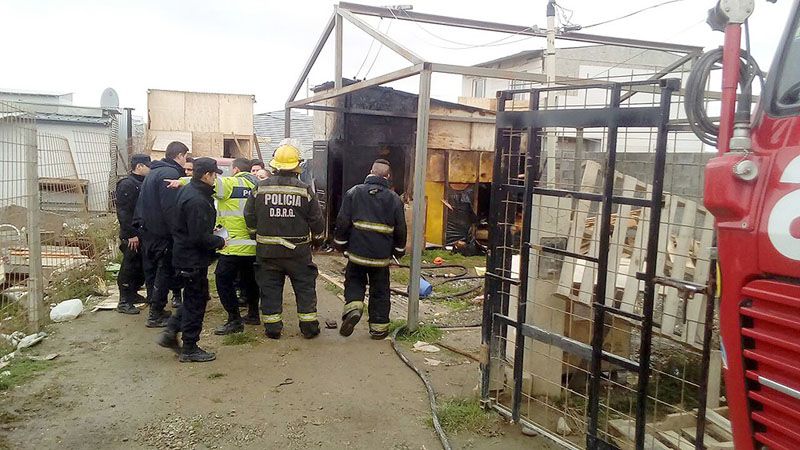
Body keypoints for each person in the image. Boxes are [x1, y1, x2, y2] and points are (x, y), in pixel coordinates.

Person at [167, 158, 260, 334]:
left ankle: (234, 319)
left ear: (236, 170)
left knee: (223, 280)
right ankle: (254, 314)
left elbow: (205, 182)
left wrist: (180, 181)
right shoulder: (256, 185)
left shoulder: (232, 183)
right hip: (252, 243)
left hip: (232, 244)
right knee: (250, 280)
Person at [244, 141, 325, 339]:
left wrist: (256, 234)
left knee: (270, 288)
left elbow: (249, 215)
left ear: (274, 165)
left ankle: (272, 328)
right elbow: (316, 220)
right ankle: (308, 327)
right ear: (296, 166)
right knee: (304, 287)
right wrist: (318, 240)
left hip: (267, 252)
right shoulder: (305, 190)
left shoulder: (259, 189)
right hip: (297, 252)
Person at [157, 158, 226, 362]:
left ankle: (171, 332)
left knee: (195, 298)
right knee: (196, 302)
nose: (215, 179)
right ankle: (189, 347)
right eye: (214, 175)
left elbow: (193, 228)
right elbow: (198, 237)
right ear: (206, 175)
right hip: (192, 259)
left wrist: (207, 232)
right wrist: (219, 241)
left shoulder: (189, 192)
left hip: (185, 255)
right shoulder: (197, 200)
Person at [334, 159, 407, 340]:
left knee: (354, 282)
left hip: (357, 253)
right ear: (388, 177)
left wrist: (340, 244)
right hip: (381, 257)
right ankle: (378, 329)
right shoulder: (394, 199)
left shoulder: (354, 192)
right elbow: (401, 228)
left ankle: (354, 307)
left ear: (370, 171)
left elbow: (343, 221)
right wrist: (398, 251)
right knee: (380, 290)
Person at [135, 141, 188, 328]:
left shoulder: (153, 173)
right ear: (180, 155)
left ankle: (156, 308)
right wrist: (179, 232)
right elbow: (171, 208)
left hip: (149, 231)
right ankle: (155, 313)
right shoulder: (170, 174)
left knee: (156, 271)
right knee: (164, 272)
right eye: (185, 157)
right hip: (164, 233)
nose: (186, 161)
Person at [115, 154, 151, 314]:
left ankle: (133, 293)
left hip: (141, 232)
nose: (150, 170)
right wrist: (130, 234)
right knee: (129, 266)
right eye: (148, 166)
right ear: (139, 166)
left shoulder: (142, 183)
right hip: (131, 234)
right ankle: (123, 301)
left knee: (139, 266)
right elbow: (124, 212)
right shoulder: (127, 184)